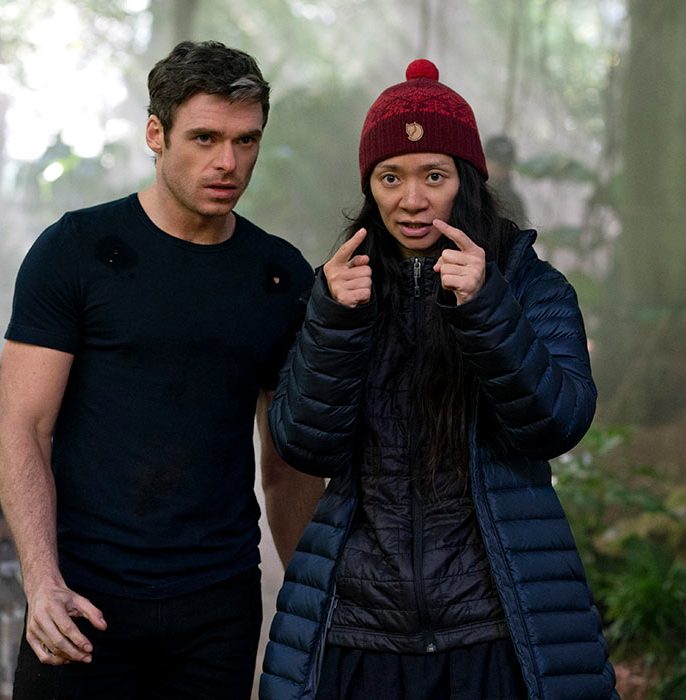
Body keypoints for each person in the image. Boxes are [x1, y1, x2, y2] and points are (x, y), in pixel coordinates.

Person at [259, 60, 618, 700]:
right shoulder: (340, 290)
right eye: (390, 177)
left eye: (434, 175)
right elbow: (304, 446)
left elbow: (557, 424)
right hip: (361, 629)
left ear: (466, 181)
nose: (412, 199)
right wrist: (335, 322)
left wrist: (486, 308)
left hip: (496, 622)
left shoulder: (530, 287)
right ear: (370, 188)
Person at [0, 40, 322, 700]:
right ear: (156, 133)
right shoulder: (75, 251)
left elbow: (287, 465)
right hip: (82, 594)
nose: (228, 162)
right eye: (205, 138)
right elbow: (22, 429)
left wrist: (313, 598)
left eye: (246, 140)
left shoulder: (279, 275)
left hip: (218, 601)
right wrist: (42, 582)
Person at [485, 133, 528, 226]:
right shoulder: (470, 193)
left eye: (505, 165)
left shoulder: (514, 201)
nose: (501, 170)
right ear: (485, 161)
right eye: (497, 164)